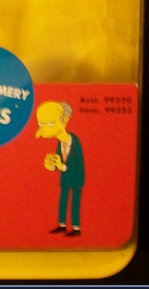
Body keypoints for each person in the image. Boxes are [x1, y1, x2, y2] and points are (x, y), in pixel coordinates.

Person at [35, 100, 85, 236]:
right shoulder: (59, 143)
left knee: (74, 202)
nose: (43, 128)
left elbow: (77, 164)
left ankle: (76, 228)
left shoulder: (75, 142)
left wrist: (61, 166)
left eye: (50, 123)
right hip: (65, 179)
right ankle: (62, 225)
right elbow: (59, 160)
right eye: (41, 124)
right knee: (63, 201)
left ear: (65, 120)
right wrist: (51, 166)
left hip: (76, 179)